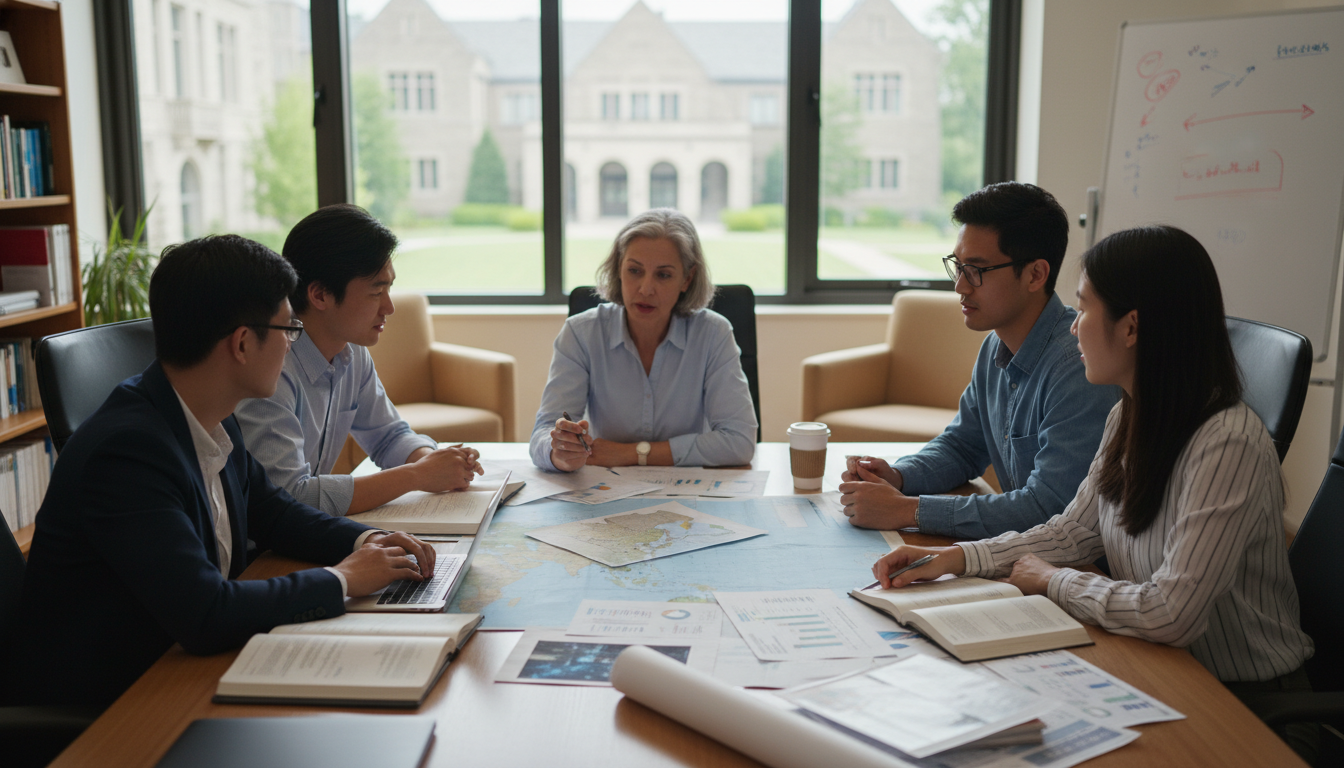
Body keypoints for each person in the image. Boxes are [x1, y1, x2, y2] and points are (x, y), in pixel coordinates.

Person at [869, 226, 1315, 756]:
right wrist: (958, 560)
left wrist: (1052, 580)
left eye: (1083, 310)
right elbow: (1072, 532)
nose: (1074, 327)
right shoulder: (1129, 414)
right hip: (1164, 667)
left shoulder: (1227, 442)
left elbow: (1171, 612)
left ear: (1131, 327)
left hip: (1246, 704)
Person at [4, 235, 437, 710]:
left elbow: (275, 513)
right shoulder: (126, 454)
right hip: (112, 706)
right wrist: (344, 579)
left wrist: (367, 541)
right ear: (243, 343)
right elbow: (205, 613)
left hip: (176, 666)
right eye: (288, 329)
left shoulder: (213, 415)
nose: (292, 344)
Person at [840, 182, 1121, 538]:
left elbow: (1050, 508)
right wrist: (898, 476)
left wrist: (908, 510)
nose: (960, 285)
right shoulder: (995, 346)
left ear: (1035, 275)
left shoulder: (1077, 366)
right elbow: (962, 447)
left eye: (976, 270)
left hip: (1076, 563)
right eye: (958, 266)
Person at [235, 204, 481, 517]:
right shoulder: (271, 368)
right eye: (376, 292)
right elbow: (290, 497)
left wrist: (434, 461)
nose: (389, 308)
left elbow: (388, 436)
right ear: (320, 295)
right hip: (262, 541)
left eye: (389, 288)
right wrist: (418, 475)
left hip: (308, 530)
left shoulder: (351, 352)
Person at [530, 208, 757, 471]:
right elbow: (543, 432)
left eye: (663, 275)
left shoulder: (713, 334)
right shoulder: (581, 333)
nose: (646, 289)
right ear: (619, 269)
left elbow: (739, 442)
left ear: (687, 278)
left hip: (688, 488)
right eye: (634, 270)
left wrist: (630, 454)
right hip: (605, 487)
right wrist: (559, 452)